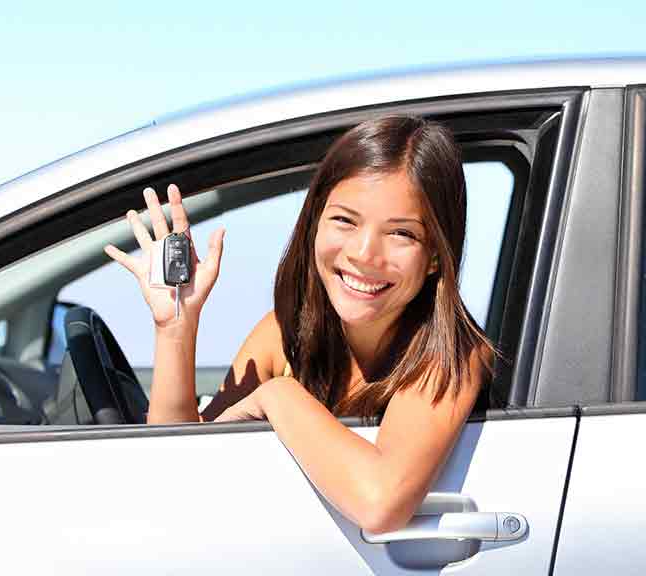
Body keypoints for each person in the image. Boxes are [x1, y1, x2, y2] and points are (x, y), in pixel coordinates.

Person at [103, 115, 494, 534]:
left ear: (435, 255)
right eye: (345, 221)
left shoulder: (453, 355)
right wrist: (175, 327)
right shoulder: (283, 333)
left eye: (401, 233)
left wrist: (278, 395)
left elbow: (380, 504)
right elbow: (179, 468)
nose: (365, 254)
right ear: (314, 224)